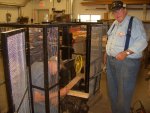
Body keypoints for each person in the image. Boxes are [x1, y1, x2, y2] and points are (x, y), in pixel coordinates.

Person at [104, 1, 148, 113]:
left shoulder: (134, 22)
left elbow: (143, 41)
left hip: (127, 63)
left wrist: (126, 53)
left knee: (123, 94)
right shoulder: (115, 23)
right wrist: (106, 53)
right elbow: (110, 40)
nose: (116, 14)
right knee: (112, 92)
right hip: (111, 61)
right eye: (114, 12)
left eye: (119, 10)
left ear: (125, 10)